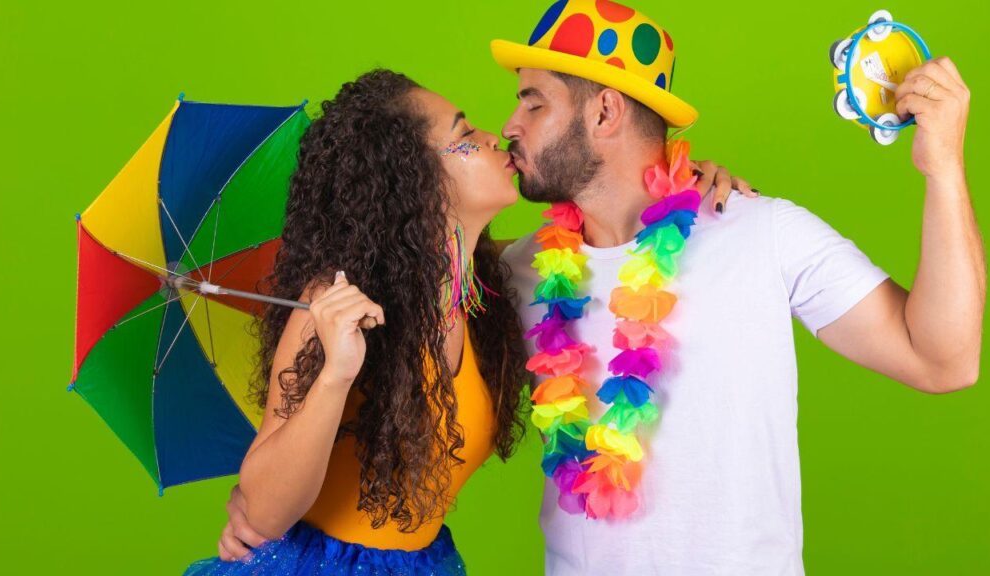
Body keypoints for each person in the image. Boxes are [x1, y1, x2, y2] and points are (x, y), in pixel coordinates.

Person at [185, 67, 748, 575]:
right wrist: (335, 374)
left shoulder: (500, 287)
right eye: (463, 134)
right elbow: (264, 513)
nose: (493, 135)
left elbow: (612, 235)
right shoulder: (337, 304)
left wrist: (682, 179)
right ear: (412, 178)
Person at [489, 1, 983, 574]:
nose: (510, 125)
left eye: (534, 103)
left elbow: (942, 360)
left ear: (605, 111)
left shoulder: (761, 233)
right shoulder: (517, 272)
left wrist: (944, 168)